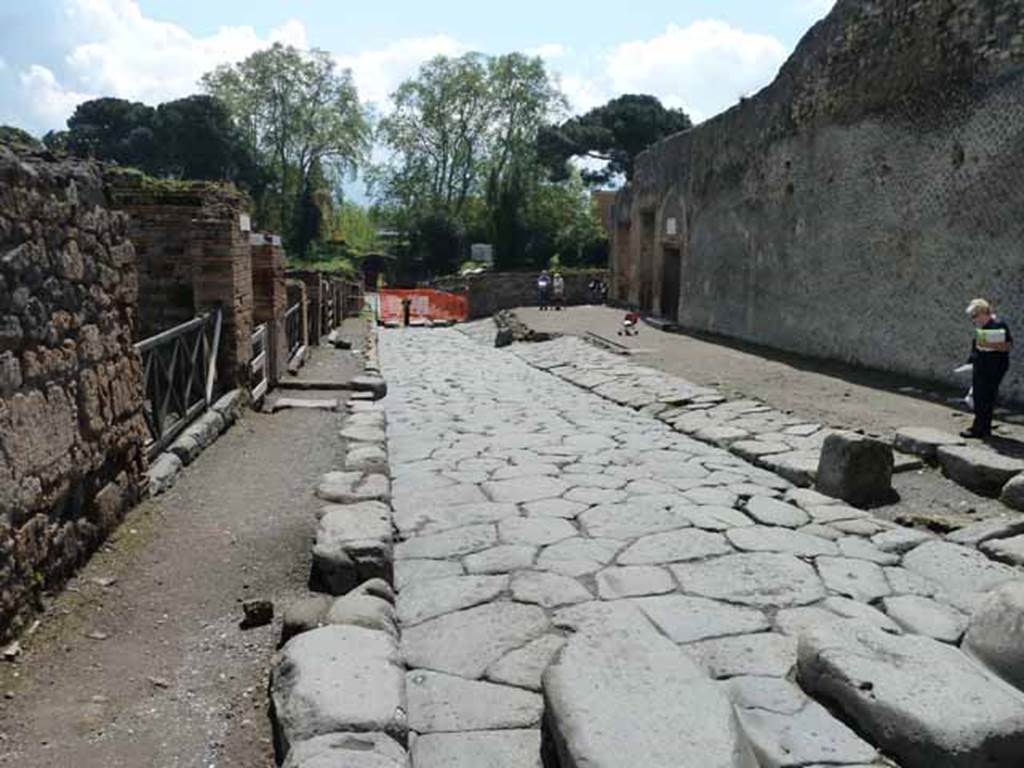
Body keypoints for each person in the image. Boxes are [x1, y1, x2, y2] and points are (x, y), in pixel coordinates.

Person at [962, 298, 1013, 438]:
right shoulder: (983, 326)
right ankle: (982, 428)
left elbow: (1008, 346)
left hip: (993, 368)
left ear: (984, 313)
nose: (974, 320)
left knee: (985, 398)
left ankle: (979, 429)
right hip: (981, 366)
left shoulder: (998, 324)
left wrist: (988, 344)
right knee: (979, 397)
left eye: (975, 316)